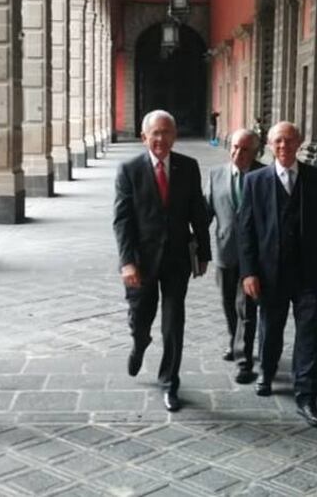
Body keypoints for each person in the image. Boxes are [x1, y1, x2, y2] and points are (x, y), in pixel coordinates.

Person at [113, 109, 211, 412]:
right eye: (155, 133)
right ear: (144, 137)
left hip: (177, 260)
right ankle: (140, 343)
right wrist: (127, 262)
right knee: (140, 318)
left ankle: (170, 382)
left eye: (166, 132)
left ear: (174, 136)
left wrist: (204, 254)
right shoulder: (129, 170)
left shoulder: (188, 166)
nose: (161, 138)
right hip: (141, 262)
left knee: (173, 323)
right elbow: (122, 220)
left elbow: (198, 213)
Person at [239, 121, 317, 427]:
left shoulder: (316, 178)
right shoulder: (255, 181)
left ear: (300, 143)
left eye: (290, 141)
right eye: (278, 141)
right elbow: (246, 231)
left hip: (308, 271)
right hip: (270, 272)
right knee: (271, 328)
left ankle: (306, 396)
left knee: (309, 333)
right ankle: (267, 371)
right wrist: (249, 272)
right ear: (269, 145)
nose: (284, 146)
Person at [205, 128, 264, 384]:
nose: (238, 153)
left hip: (255, 256)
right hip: (225, 250)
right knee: (228, 303)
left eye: (245, 149)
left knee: (247, 308)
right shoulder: (216, 174)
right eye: (235, 147)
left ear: (256, 152)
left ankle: (244, 361)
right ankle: (234, 340)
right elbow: (206, 211)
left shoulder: (265, 175)